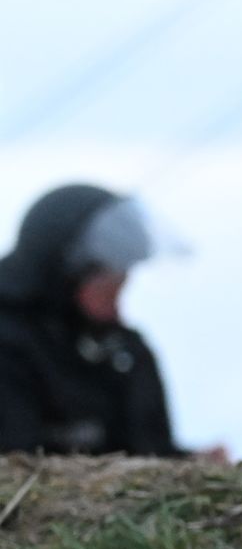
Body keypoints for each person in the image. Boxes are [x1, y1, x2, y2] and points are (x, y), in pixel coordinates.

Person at [0, 183, 213, 459]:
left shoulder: (123, 353)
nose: (116, 301)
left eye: (121, 283)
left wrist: (192, 465)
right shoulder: (10, 345)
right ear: (66, 275)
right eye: (107, 282)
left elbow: (149, 455)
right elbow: (21, 459)